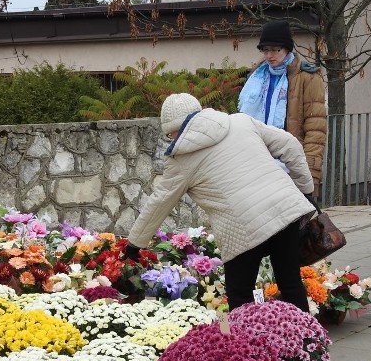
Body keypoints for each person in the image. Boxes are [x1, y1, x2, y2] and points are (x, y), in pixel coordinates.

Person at [124, 92, 316, 311]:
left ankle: (247, 344)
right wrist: (305, 190)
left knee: (240, 294)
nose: (172, 139)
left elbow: (160, 202)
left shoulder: (182, 159)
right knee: (290, 283)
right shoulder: (241, 121)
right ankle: (306, 340)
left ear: (174, 129)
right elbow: (291, 145)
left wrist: (134, 243)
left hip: (243, 228)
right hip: (285, 209)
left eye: (171, 134)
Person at [238, 20, 327, 195]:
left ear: (287, 49)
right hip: (257, 163)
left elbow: (316, 129)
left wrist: (310, 171)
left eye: (275, 50)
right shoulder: (257, 77)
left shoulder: (308, 78)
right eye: (265, 50)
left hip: (291, 164)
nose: (269, 55)